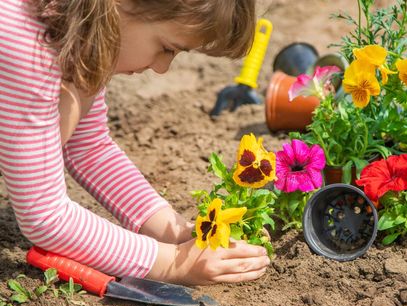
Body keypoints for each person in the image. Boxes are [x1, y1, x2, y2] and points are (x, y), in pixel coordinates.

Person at [0, 0, 271, 285]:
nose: (163, 67)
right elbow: (46, 217)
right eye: (167, 48)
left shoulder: (81, 31)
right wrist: (170, 264)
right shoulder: (24, 44)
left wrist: (175, 231)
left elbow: (91, 149)